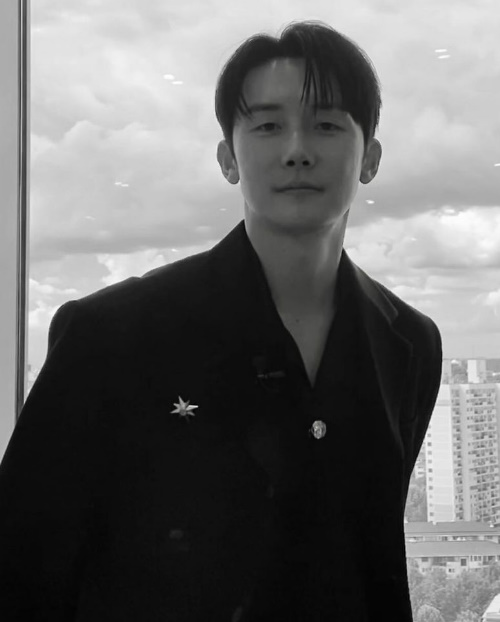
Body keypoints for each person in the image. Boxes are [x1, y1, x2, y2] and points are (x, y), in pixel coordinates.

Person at [0, 19, 442, 622]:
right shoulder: (111, 335)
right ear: (228, 159)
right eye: (267, 126)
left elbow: (370, 554)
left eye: (327, 125)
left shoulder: (409, 342)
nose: (297, 150)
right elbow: (21, 568)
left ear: (370, 159)